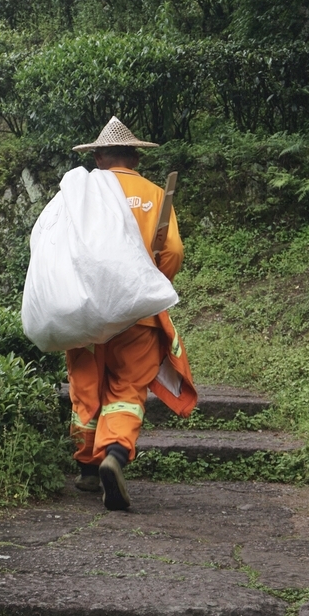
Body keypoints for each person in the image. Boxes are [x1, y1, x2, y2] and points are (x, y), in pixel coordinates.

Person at [67, 116, 195, 511]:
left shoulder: (83, 194)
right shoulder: (156, 194)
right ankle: (115, 455)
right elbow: (172, 252)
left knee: (88, 383)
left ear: (101, 156)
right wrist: (149, 284)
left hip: (88, 312)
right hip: (138, 313)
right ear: (135, 156)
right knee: (126, 388)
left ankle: (88, 470)